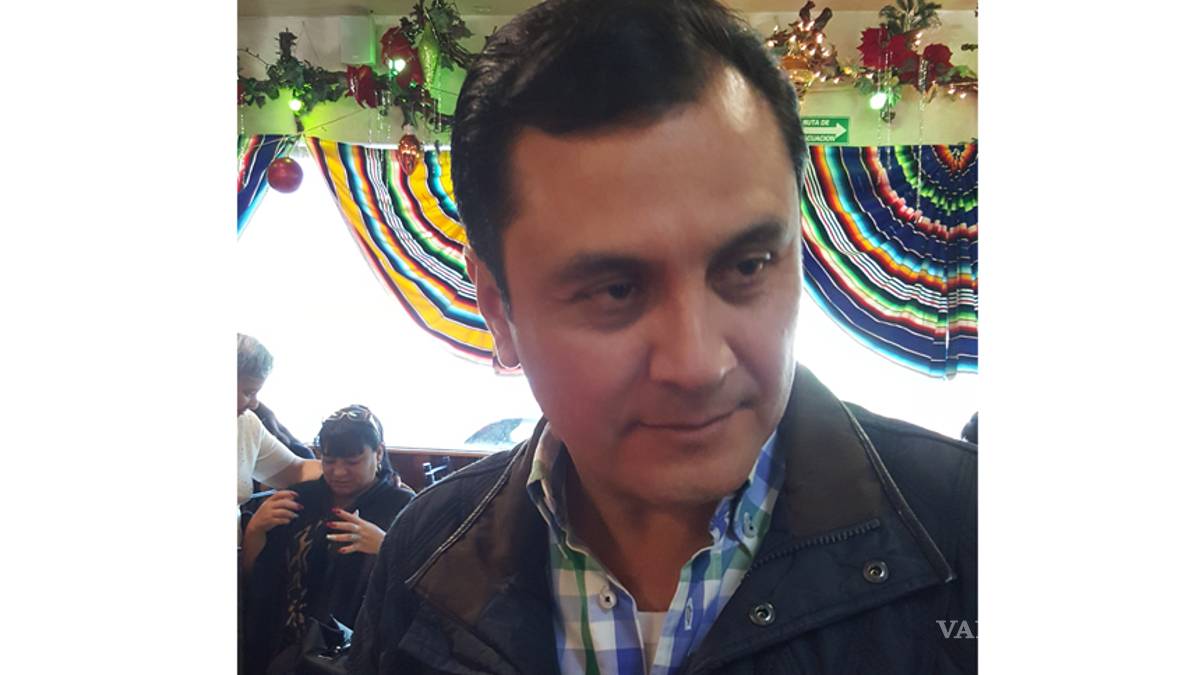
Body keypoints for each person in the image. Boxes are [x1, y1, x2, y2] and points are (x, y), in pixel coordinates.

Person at [351, 1, 977, 673]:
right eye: (615, 290)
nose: (698, 364)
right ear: (498, 309)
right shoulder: (426, 559)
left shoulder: (973, 530)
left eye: (747, 266)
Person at [241, 404, 415, 674]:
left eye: (352, 462)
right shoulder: (298, 499)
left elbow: (424, 588)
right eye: (329, 461)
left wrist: (385, 547)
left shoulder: (402, 506)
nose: (339, 472)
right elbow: (254, 577)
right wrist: (255, 530)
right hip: (279, 648)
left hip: (354, 656)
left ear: (379, 452)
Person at [238, 333, 321, 507]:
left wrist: (364, 470)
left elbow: (297, 470)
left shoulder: (246, 423)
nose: (254, 404)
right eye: (248, 393)